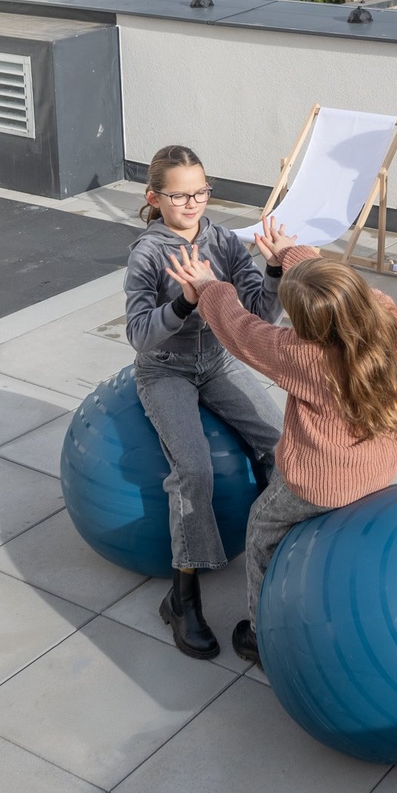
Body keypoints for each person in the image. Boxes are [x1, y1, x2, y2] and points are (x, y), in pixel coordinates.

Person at [167, 228, 397, 669]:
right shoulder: (384, 316)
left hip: (321, 483)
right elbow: (343, 286)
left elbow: (241, 330)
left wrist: (208, 287)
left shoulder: (303, 356)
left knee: (262, 526)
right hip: (377, 470)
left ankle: (261, 635)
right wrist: (295, 256)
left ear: (308, 326)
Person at [123, 145, 285, 660]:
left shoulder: (225, 243)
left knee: (283, 447)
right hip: (164, 369)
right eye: (179, 196)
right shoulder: (148, 254)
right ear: (154, 197)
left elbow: (260, 313)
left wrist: (274, 270)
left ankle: (280, 559)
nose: (192, 203)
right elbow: (138, 334)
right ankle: (183, 597)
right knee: (194, 471)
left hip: (216, 361)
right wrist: (185, 301)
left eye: (200, 192)